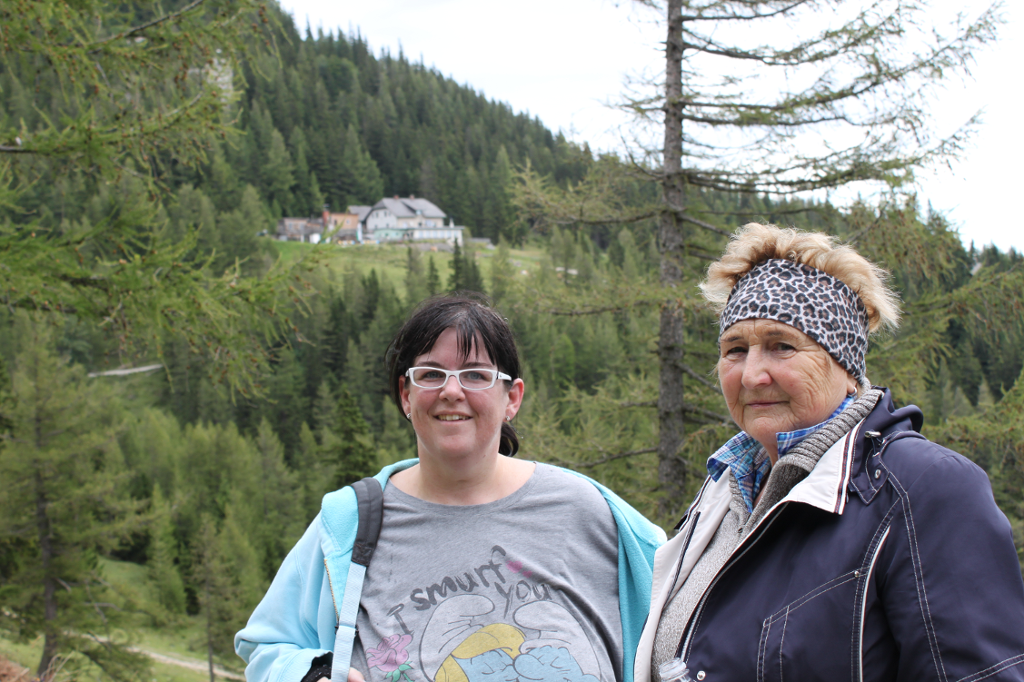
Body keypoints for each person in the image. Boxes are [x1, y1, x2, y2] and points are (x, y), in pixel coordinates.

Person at [636, 224, 1024, 682]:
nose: (752, 375)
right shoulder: (725, 488)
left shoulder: (923, 490)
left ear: (847, 367)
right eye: (735, 349)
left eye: (782, 346)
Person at [236, 294, 666, 682]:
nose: (451, 391)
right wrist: (311, 676)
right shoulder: (352, 524)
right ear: (406, 395)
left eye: (476, 375)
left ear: (512, 398)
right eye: (430, 374)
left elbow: (684, 631)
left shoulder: (592, 513)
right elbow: (266, 647)